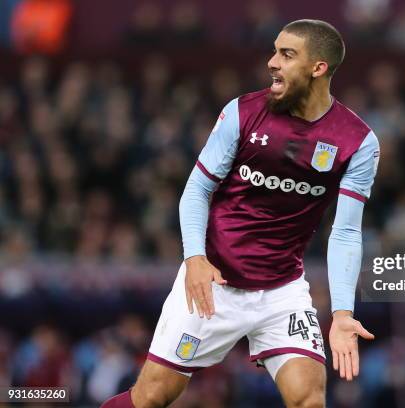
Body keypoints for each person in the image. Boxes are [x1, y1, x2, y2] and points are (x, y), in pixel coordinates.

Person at [102, 19, 380, 408]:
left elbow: (346, 232)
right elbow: (197, 189)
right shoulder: (243, 112)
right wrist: (194, 258)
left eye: (287, 55)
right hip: (213, 282)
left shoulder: (357, 141)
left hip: (282, 290)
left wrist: (342, 312)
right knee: (151, 397)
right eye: (274, 51)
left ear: (318, 68)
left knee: (309, 400)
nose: (272, 62)